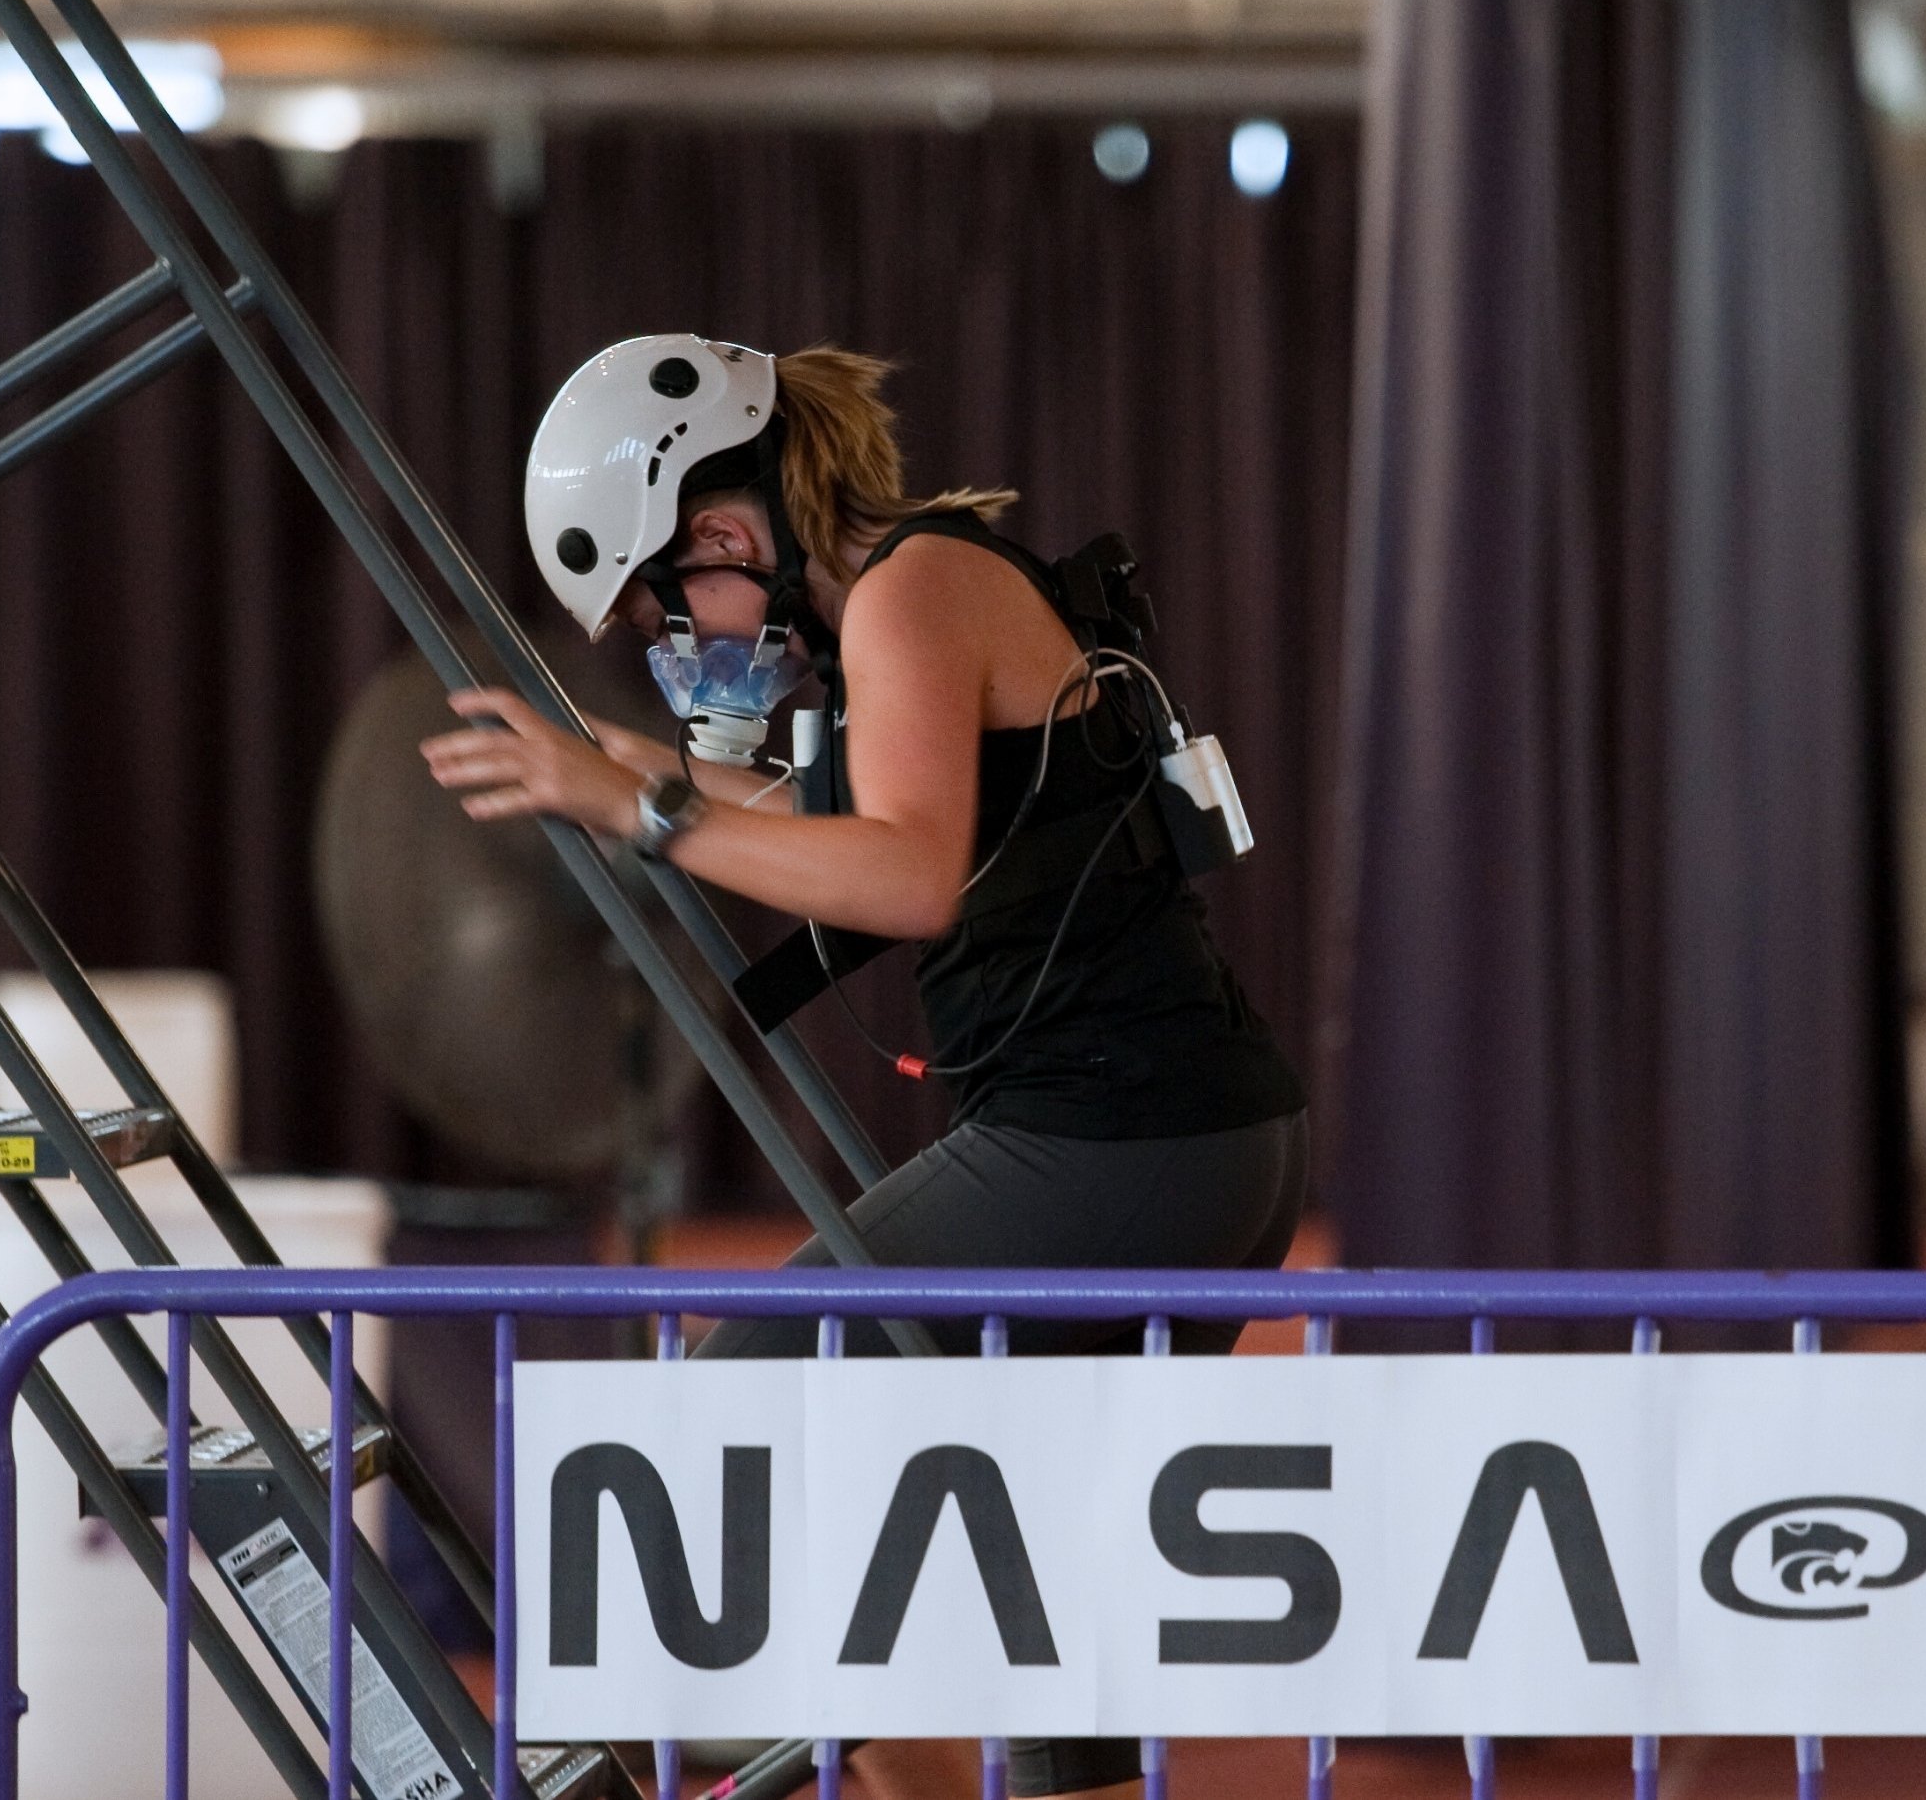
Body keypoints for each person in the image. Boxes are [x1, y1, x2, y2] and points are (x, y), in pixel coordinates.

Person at [420, 338, 1304, 1800]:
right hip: (1195, 1136)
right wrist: (635, 768)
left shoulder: (910, 592)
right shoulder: (903, 597)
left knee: (728, 1421)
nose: (669, 629)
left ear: (719, 528)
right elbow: (830, 824)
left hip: (1112, 1134)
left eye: (662, 596)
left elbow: (905, 880)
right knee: (1022, 1559)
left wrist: (634, 807)